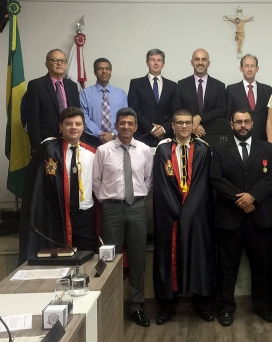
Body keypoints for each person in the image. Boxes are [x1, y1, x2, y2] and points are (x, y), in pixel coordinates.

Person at [211, 109, 272, 326]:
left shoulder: (266, 148)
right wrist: (240, 200)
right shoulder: (220, 149)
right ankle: (225, 308)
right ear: (231, 124)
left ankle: (263, 306)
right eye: (238, 122)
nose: (243, 125)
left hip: (260, 217)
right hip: (230, 217)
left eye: (246, 122)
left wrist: (254, 198)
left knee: (261, 266)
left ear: (252, 124)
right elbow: (216, 178)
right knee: (226, 266)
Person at [153, 109, 215, 324]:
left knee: (199, 256)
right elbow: (161, 185)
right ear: (173, 125)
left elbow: (203, 185)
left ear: (193, 125)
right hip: (170, 216)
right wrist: (177, 210)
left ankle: (202, 303)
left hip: (197, 215)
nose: (184, 127)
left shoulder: (203, 149)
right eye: (179, 123)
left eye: (187, 123)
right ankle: (167, 305)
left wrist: (189, 211)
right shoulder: (162, 150)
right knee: (167, 258)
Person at [92, 107, 153, 327]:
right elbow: (96, 180)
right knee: (109, 259)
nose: (126, 127)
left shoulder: (145, 150)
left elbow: (148, 179)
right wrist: (108, 200)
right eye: (122, 123)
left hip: (137, 208)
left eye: (130, 123)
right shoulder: (104, 150)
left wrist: (135, 197)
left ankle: (136, 306)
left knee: (138, 259)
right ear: (115, 126)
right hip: (111, 210)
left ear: (136, 127)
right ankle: (110, 305)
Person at [19, 107, 96, 263]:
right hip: (57, 217)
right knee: (59, 260)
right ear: (60, 126)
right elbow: (37, 188)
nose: (74, 127)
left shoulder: (92, 153)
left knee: (87, 258)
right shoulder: (49, 151)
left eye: (78, 124)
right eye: (69, 124)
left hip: (85, 216)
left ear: (83, 126)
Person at [26, 49, 81, 152]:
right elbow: (32, 120)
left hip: (71, 140)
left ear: (66, 65)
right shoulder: (36, 85)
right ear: (47, 64)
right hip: (46, 142)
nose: (59, 63)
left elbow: (77, 114)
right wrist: (37, 146)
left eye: (62, 61)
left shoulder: (72, 86)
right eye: (54, 60)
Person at [172, 49, 228, 144]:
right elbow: (176, 110)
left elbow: (221, 110)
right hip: (187, 136)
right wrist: (193, 126)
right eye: (197, 59)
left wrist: (200, 117)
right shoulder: (181, 85)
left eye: (204, 59)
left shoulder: (219, 86)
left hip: (213, 136)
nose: (200, 62)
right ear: (192, 62)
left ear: (209, 63)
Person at [128, 48, 177, 147]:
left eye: (159, 60)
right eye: (152, 60)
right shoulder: (136, 84)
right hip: (142, 135)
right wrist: (152, 129)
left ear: (163, 64)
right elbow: (134, 110)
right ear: (147, 63)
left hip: (166, 136)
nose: (156, 63)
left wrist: (163, 128)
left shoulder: (172, 86)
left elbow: (175, 111)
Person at [80, 58, 128, 148]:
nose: (104, 71)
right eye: (100, 69)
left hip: (117, 139)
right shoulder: (85, 93)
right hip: (93, 141)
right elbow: (84, 118)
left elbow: (125, 117)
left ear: (111, 71)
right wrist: (100, 134)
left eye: (107, 69)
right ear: (95, 72)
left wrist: (113, 134)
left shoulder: (121, 93)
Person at [226, 54, 272, 141]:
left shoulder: (267, 90)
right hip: (239, 137)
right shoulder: (232, 90)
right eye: (246, 66)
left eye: (252, 66)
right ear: (241, 69)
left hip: (262, 138)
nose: (249, 69)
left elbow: (270, 117)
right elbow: (228, 116)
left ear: (257, 69)